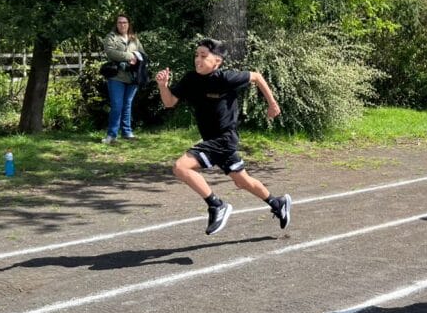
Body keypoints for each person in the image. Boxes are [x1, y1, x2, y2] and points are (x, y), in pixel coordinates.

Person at [154, 38, 292, 236]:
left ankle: (216, 205)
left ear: (217, 61)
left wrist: (272, 104)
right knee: (242, 181)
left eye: (203, 56)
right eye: (196, 55)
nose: (198, 59)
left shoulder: (225, 78)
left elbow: (256, 76)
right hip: (213, 141)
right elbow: (169, 102)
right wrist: (163, 85)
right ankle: (277, 203)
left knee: (181, 167)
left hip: (224, 139)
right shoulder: (190, 79)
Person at [102, 13, 148, 144]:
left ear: (128, 24)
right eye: (120, 22)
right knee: (117, 105)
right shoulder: (111, 37)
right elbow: (110, 52)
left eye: (124, 22)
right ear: (116, 24)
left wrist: (138, 58)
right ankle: (111, 136)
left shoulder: (134, 39)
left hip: (132, 77)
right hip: (116, 77)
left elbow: (143, 54)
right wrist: (130, 56)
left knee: (127, 105)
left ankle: (127, 133)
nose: (122, 25)